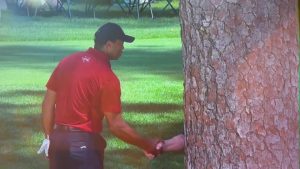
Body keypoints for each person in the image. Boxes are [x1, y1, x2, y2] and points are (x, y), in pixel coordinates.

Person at [37, 22, 161, 169]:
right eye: (120, 43)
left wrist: (48, 138)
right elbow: (116, 126)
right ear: (108, 45)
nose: (123, 48)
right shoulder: (106, 76)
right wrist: (147, 144)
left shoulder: (66, 62)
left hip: (57, 142)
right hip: (84, 145)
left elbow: (47, 104)